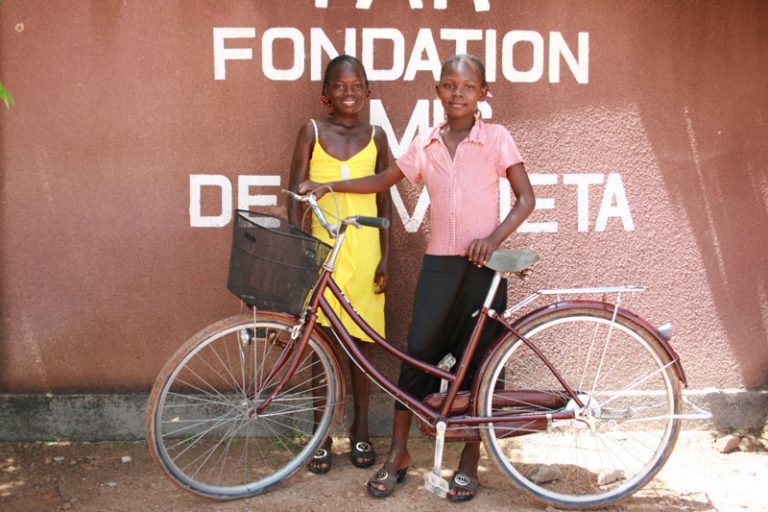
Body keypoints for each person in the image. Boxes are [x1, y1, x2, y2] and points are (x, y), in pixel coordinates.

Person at [300, 54, 535, 502]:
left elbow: (526, 200)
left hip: (485, 270)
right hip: (438, 267)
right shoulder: (425, 142)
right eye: (449, 85)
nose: (458, 94)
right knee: (415, 362)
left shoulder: (498, 138)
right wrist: (331, 187)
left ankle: (470, 463)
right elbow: (382, 180)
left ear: (484, 93)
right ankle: (399, 455)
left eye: (468, 87)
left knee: (482, 364)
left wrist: (493, 238)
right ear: (438, 91)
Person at [288, 55, 391, 474]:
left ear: (368, 92)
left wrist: (387, 256)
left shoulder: (378, 136)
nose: (349, 93)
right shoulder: (311, 131)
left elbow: (385, 200)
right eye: (340, 86)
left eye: (356, 86)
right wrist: (300, 252)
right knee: (321, 348)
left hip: (365, 250)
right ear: (325, 95)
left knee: (361, 349)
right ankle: (321, 435)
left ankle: (361, 431)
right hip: (323, 251)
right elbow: (295, 195)